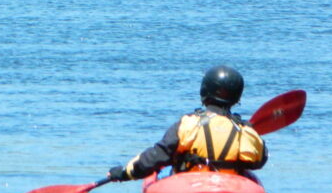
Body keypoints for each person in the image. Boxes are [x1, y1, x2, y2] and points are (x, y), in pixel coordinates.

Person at [107, 65, 267, 183]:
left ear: (205, 91)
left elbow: (157, 156)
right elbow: (258, 161)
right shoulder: (245, 130)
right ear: (237, 97)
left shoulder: (188, 124)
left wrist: (123, 173)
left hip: (190, 183)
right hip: (229, 185)